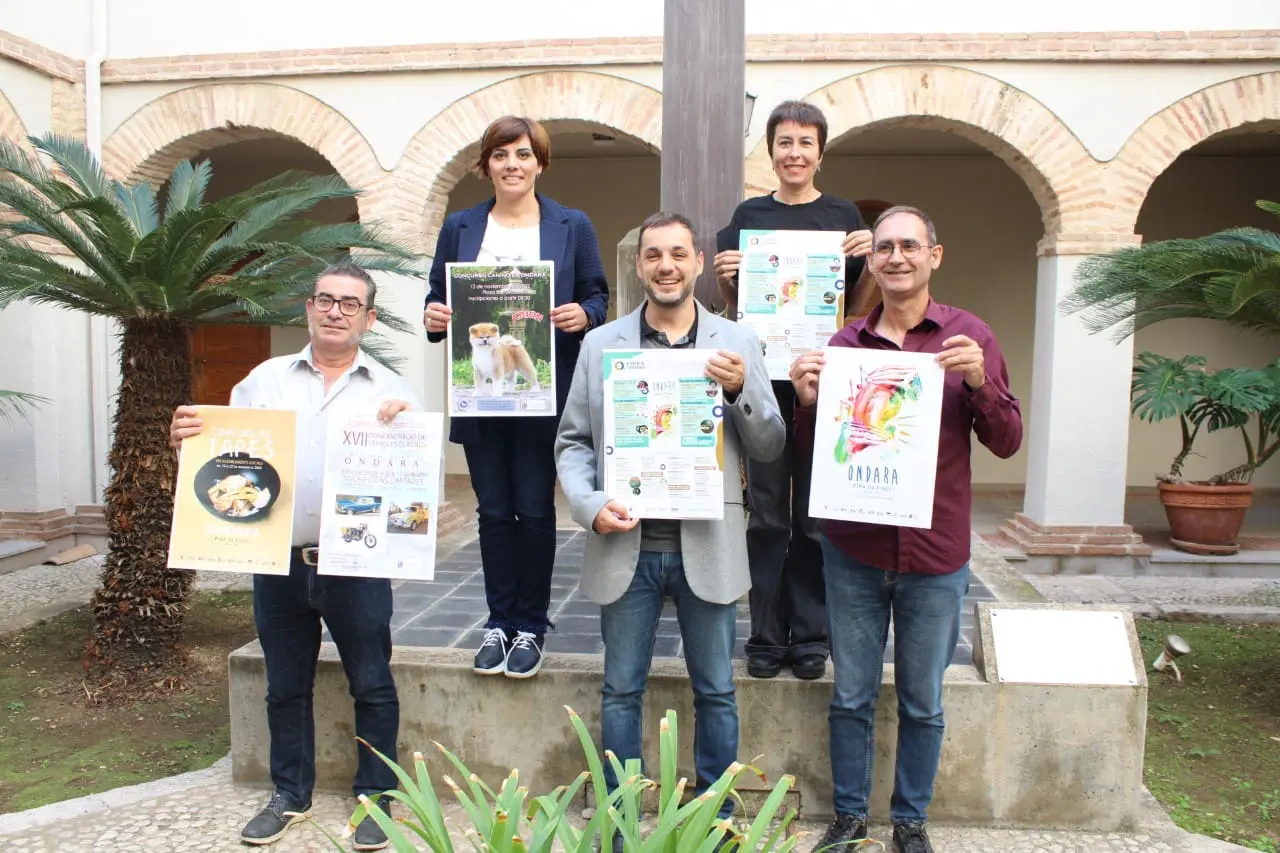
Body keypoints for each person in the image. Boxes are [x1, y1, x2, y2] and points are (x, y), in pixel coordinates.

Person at [790, 206, 1022, 853]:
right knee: (851, 695)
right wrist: (807, 405)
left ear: (934, 256)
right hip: (855, 552)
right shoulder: (844, 347)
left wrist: (980, 382)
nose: (896, 256)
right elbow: (818, 455)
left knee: (923, 701)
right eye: (885, 247)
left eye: (910, 246)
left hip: (935, 556)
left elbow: (1007, 440)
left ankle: (911, 821)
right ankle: (849, 818)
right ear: (871, 260)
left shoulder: (968, 337)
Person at [169, 261, 421, 850]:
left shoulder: (393, 391)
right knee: (284, 684)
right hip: (278, 560)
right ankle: (289, 794)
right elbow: (228, 459)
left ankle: (376, 795)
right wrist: (190, 440)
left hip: (356, 564)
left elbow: (416, 485)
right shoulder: (264, 381)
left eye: (350, 304)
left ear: (369, 318)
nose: (336, 312)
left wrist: (410, 435)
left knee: (372, 682)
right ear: (308, 308)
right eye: (325, 300)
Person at [554, 211, 785, 848]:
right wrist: (589, 504)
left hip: (708, 544)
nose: (666, 266)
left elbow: (770, 445)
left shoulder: (737, 341)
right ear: (639, 265)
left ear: (699, 263)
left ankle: (717, 822)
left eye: (679, 254)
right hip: (625, 544)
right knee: (620, 691)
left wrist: (740, 391)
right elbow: (572, 442)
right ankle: (620, 820)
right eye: (654, 254)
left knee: (717, 691)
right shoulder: (602, 345)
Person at [423, 116, 610, 679]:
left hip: (540, 400)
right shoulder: (460, 227)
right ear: (486, 165)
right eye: (501, 154)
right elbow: (436, 296)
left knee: (534, 509)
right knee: (492, 512)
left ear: (540, 163)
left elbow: (597, 295)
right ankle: (498, 622)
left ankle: (530, 625)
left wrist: (583, 314)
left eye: (524, 154)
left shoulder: (572, 224)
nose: (512, 164)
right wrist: (435, 317)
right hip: (479, 401)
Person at [712, 100, 875, 681]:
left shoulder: (843, 215)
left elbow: (855, 309)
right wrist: (728, 282)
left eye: (806, 143)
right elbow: (740, 311)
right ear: (772, 151)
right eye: (785, 142)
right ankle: (763, 635)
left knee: (811, 515)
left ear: (820, 152)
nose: (795, 153)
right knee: (765, 514)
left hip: (820, 381)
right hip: (763, 382)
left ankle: (809, 636)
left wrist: (868, 267)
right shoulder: (748, 215)